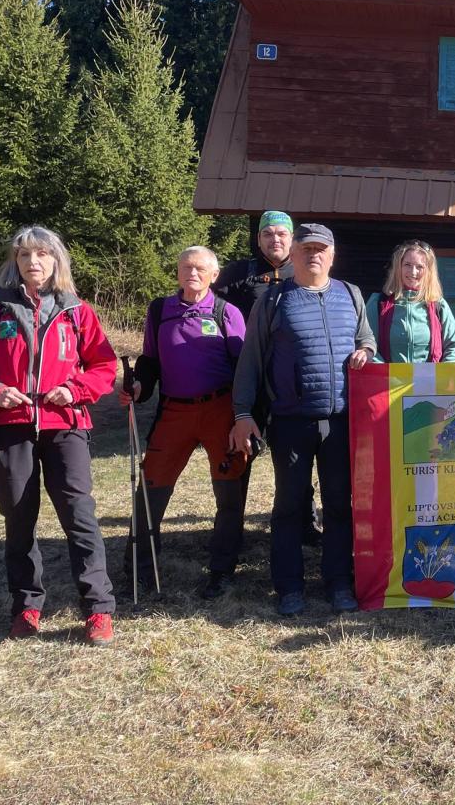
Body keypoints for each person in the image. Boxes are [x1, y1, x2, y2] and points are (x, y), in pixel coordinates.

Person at [0, 226, 118, 645]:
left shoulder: (77, 310)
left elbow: (104, 365)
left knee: (79, 516)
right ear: (16, 263)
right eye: (24, 255)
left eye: (42, 254)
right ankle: (26, 606)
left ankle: (98, 608)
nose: (33, 262)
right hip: (9, 426)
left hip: (66, 426)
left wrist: (75, 390)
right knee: (19, 517)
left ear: (56, 260)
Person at [230, 223, 377, 616]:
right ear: (293, 254)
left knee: (339, 506)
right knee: (290, 506)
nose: (314, 255)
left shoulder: (351, 294)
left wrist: (366, 350)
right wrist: (243, 412)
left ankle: (339, 582)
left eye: (320, 249)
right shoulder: (274, 299)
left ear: (332, 255)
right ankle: (289, 587)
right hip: (291, 421)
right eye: (306, 248)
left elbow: (366, 339)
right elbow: (251, 359)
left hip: (341, 420)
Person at [119, 246, 248, 600]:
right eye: (186, 267)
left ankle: (222, 571)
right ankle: (139, 569)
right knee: (150, 490)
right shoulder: (160, 310)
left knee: (229, 494)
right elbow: (150, 361)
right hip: (174, 412)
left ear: (214, 275)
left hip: (219, 409)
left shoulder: (227, 312)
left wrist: (243, 416)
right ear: (177, 272)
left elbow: (244, 369)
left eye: (200, 268)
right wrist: (139, 387)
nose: (193, 273)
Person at [214, 210, 322, 547]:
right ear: (258, 239)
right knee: (240, 457)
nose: (275, 239)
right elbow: (211, 312)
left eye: (281, 233)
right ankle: (231, 533)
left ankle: (305, 525)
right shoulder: (238, 274)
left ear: (292, 239)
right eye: (267, 233)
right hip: (249, 381)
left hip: (291, 385)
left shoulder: (304, 272)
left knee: (295, 459)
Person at [366, 240, 455, 364]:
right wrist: (388, 373)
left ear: (428, 271)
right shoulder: (378, 303)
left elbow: (453, 348)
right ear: (398, 268)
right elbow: (367, 344)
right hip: (389, 376)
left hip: (432, 377)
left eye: (420, 267)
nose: (413, 272)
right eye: (407, 265)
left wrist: (443, 373)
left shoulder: (439, 305)